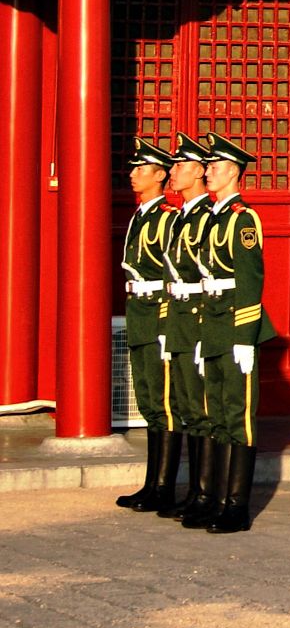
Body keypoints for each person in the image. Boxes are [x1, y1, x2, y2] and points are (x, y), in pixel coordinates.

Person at [195, 133, 275, 533]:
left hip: (233, 323)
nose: (208, 172)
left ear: (233, 173)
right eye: (208, 166)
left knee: (239, 415)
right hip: (211, 322)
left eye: (215, 167)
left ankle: (237, 506)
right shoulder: (213, 216)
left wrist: (245, 338)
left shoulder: (244, 219)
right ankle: (218, 499)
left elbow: (249, 280)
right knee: (217, 414)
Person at [117, 138, 180, 512]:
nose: (133, 175)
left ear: (160, 176)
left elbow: (177, 273)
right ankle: (152, 483)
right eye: (133, 169)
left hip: (158, 312)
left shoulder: (167, 219)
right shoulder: (141, 215)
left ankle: (164, 486)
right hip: (139, 310)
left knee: (164, 402)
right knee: (148, 403)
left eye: (141, 170)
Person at [156, 135, 217, 523]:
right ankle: (194, 490)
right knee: (186, 408)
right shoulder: (180, 217)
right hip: (178, 319)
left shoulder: (207, 218)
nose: (172, 173)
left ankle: (206, 492)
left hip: (198, 320)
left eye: (180, 167)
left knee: (203, 408)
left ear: (197, 173)